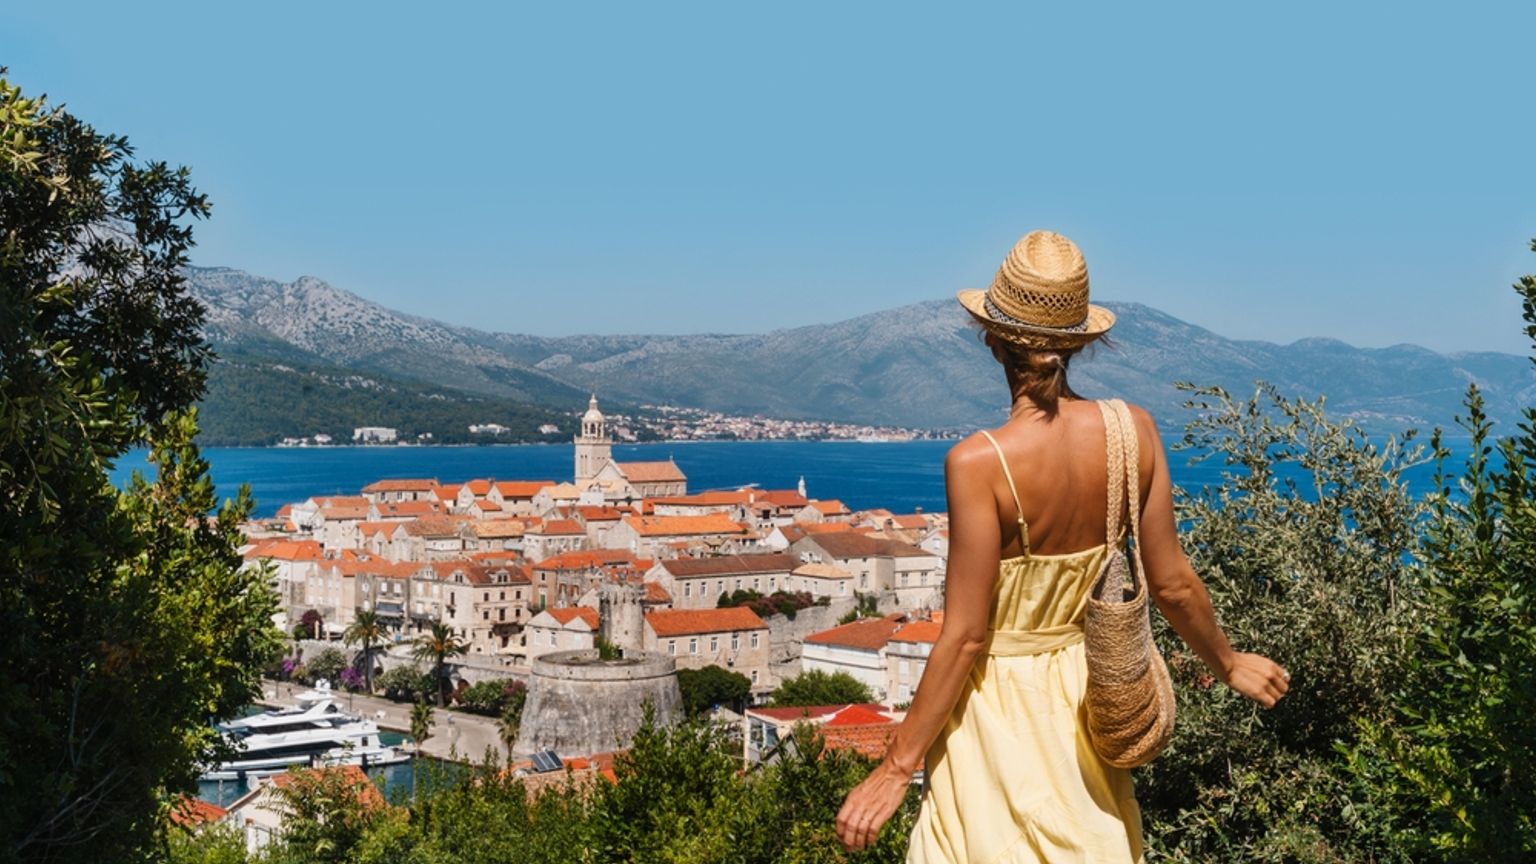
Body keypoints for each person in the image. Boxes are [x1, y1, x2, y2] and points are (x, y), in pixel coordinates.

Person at [835, 231, 1290, 862]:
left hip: (994, 712)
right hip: (1086, 699)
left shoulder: (978, 463)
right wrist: (1229, 662)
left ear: (991, 338)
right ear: (1081, 343)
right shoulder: (1135, 432)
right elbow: (1173, 583)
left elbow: (966, 636)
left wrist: (894, 768)